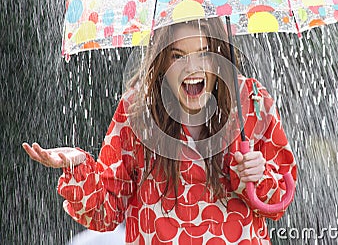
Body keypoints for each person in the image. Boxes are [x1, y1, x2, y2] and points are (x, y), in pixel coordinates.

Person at [23, 17, 297, 244]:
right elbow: (105, 214)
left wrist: (257, 176)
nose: (192, 68)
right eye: (178, 56)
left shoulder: (251, 101)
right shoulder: (137, 111)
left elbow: (280, 200)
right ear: (162, 61)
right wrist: (80, 168)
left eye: (203, 53)